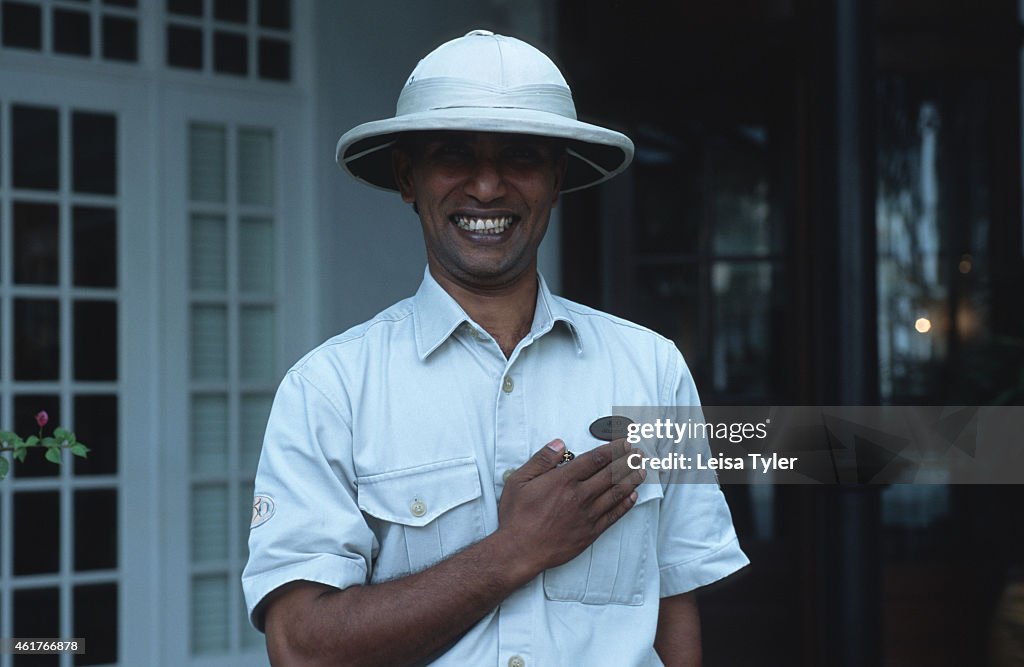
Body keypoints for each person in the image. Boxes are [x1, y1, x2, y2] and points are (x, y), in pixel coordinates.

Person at [242, 29, 748, 666]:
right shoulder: (331, 390)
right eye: (455, 155)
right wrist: (515, 549)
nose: (487, 188)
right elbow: (299, 649)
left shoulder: (651, 368)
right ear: (408, 177)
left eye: (522, 157)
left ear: (557, 178)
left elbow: (674, 606)